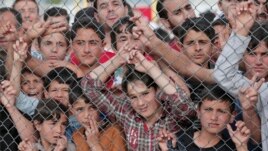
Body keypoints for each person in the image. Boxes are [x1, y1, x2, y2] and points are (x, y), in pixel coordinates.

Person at [81, 44, 196, 150]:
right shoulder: (126, 113)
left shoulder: (172, 117)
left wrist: (149, 68)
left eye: (145, 94)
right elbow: (88, 85)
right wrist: (118, 59)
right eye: (133, 97)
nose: (140, 103)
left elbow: (185, 106)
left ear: (157, 90)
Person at [213, 1, 265, 148]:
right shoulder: (259, 89)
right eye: (253, 54)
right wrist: (242, 30)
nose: (259, 61)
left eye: (265, 54)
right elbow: (223, 75)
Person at [158, 87, 251, 151]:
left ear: (232, 116)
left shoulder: (232, 147)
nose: (214, 117)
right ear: (198, 112)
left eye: (222, 111)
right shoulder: (180, 140)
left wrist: (241, 146)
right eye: (208, 110)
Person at [70, 86, 127, 151]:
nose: (86, 115)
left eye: (92, 108)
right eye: (80, 110)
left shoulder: (114, 131)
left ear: (100, 107)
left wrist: (95, 145)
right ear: (72, 111)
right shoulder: (77, 134)